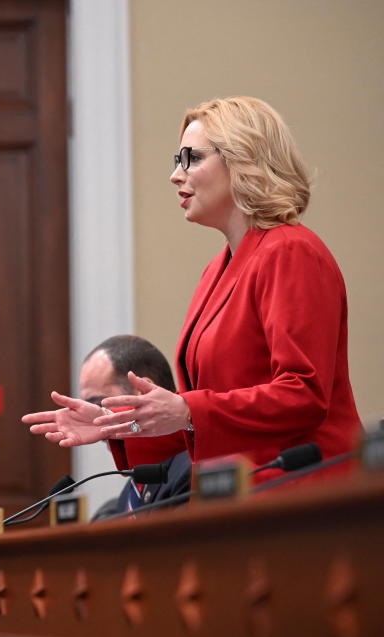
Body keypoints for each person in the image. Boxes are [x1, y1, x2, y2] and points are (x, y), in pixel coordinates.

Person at [23, 97, 361, 482]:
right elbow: (209, 422)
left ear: (243, 160)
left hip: (308, 495)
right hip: (239, 496)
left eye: (192, 159)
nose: (176, 175)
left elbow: (304, 395)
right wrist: (120, 423)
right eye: (177, 161)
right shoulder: (216, 270)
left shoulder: (291, 251)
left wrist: (187, 410)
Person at [30, 335, 191, 518]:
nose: (90, 419)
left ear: (142, 391)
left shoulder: (190, 469)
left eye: (98, 404)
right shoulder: (132, 490)